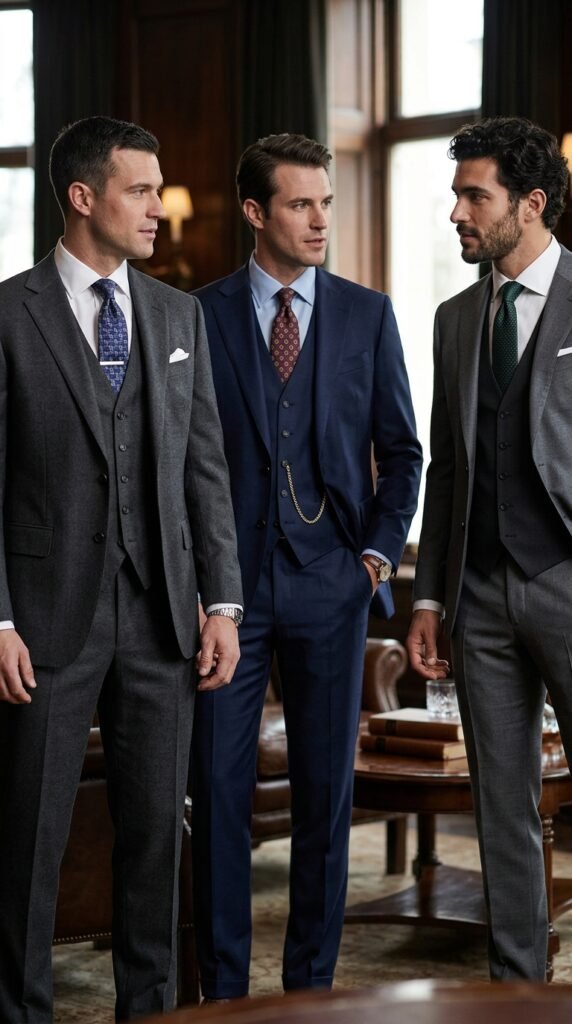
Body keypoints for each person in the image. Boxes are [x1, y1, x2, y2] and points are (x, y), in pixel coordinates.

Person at [0, 115, 243, 1023]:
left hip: (162, 623)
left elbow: (203, 467)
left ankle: (152, 1014)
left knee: (154, 846)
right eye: (140, 190)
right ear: (82, 196)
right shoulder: (8, 312)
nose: (158, 208)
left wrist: (222, 601)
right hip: (45, 622)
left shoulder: (178, 315)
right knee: (32, 843)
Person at [190, 132, 422, 1001]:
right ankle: (220, 996)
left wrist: (371, 560)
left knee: (326, 803)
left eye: (326, 201)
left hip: (334, 586)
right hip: (227, 598)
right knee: (217, 797)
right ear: (256, 212)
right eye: (299, 204)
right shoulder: (196, 314)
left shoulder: (368, 315)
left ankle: (310, 995)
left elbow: (404, 454)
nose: (320, 219)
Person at [406, 116, 572, 980]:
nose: (457, 213)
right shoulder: (454, 318)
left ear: (531, 204)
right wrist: (429, 596)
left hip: (566, 582)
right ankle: (519, 992)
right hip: (479, 597)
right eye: (457, 194)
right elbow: (448, 464)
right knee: (498, 804)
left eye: (476, 196)